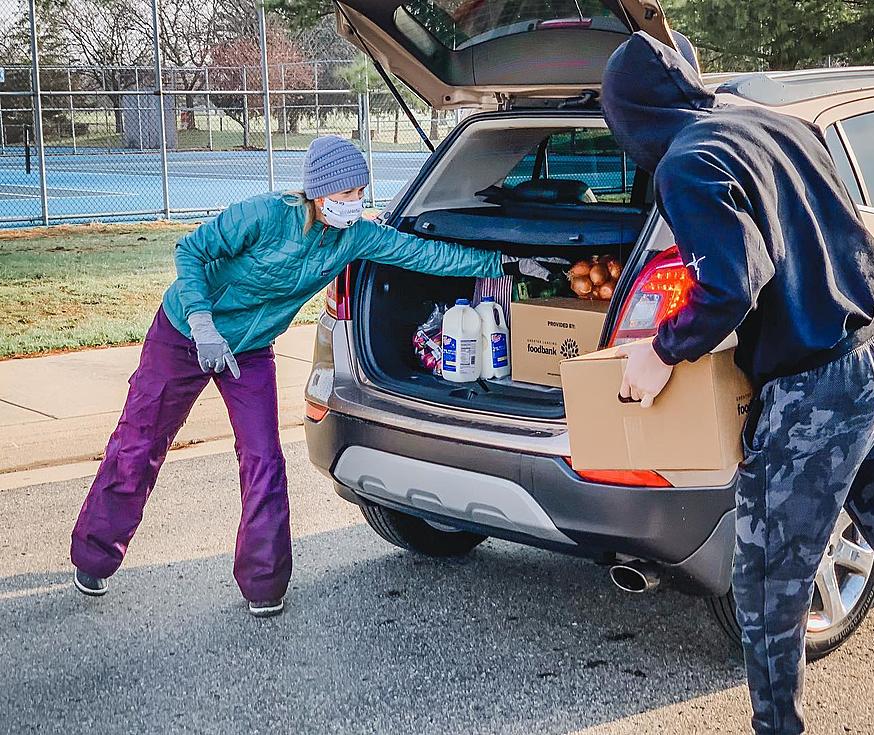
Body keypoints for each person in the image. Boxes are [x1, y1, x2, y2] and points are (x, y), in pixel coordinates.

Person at [601, 32, 874, 733]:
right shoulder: (775, 123)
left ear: (626, 114)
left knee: (769, 588)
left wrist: (661, 351)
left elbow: (728, 285)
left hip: (821, 387)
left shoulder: (686, 165)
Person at [70, 135, 560, 618]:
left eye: (360, 196)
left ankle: (264, 581)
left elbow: (424, 255)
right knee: (140, 443)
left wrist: (505, 263)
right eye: (347, 196)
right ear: (318, 193)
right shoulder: (264, 216)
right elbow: (191, 251)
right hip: (182, 335)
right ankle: (94, 556)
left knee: (263, 457)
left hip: (250, 350)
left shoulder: (355, 236)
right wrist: (201, 322)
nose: (356, 205)